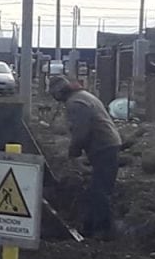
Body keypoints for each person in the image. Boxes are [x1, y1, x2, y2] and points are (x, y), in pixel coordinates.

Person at [49, 75, 122, 238]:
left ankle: (103, 230)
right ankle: (90, 226)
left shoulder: (75, 103)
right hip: (106, 144)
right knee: (97, 188)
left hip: (104, 146)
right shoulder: (82, 96)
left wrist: (73, 152)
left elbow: (81, 133)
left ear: (58, 93)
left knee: (100, 190)